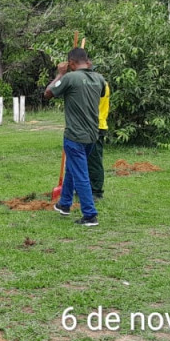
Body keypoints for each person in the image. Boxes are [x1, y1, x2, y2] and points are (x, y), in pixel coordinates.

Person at [44, 47, 105, 226]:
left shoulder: (70, 78)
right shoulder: (100, 78)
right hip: (92, 135)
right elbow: (100, 92)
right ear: (87, 61)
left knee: (80, 174)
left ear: (70, 63)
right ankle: (64, 204)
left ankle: (90, 215)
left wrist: (59, 74)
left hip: (74, 136)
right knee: (72, 168)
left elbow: (48, 93)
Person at [87, 79, 112, 199]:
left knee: (94, 160)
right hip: (97, 124)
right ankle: (87, 187)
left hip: (96, 126)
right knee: (88, 159)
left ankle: (96, 191)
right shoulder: (102, 84)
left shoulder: (99, 86)